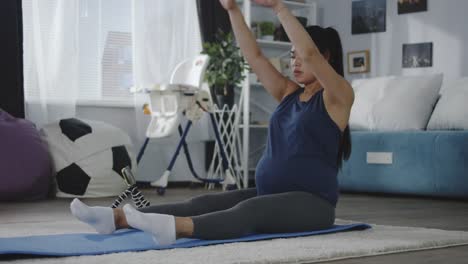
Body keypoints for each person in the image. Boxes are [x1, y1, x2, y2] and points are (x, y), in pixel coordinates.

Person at [70, 0, 354, 246]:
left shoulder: (338, 97)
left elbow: (310, 54)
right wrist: (231, 10)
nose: (295, 61)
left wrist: (279, 7)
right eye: (290, 55)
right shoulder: (289, 94)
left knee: (250, 211)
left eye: (299, 55)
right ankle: (115, 218)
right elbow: (253, 57)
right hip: (272, 194)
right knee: (201, 203)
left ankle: (175, 230)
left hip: (312, 204)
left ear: (326, 57)